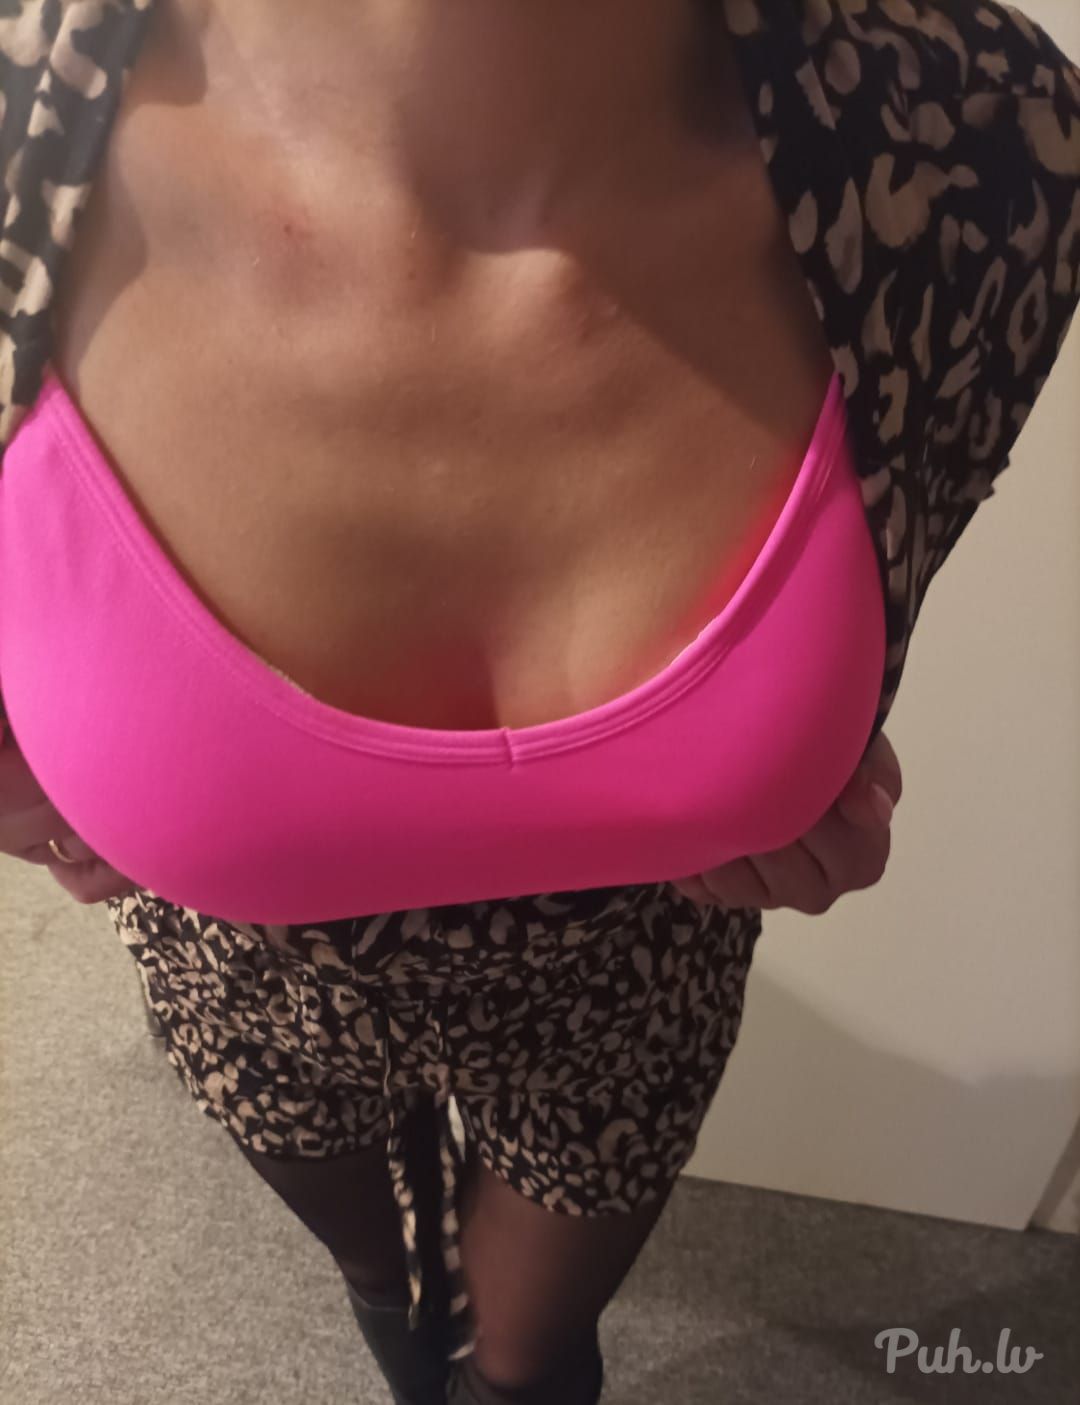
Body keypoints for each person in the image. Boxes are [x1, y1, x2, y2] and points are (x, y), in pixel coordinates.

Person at [0, 2, 1076, 1403]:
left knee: (526, 1366)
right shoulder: (22, 125)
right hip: (252, 993)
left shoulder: (980, 149)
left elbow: (891, 578)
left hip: (632, 1004)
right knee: (396, 1297)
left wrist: (809, 771)